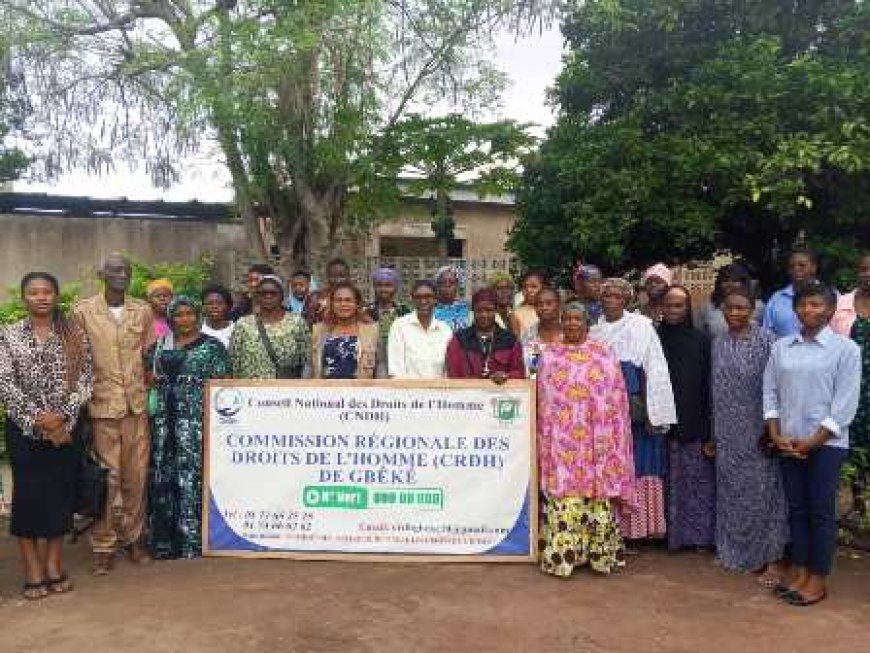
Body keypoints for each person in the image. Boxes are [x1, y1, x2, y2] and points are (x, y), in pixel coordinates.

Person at [763, 282, 861, 606]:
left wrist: (813, 442)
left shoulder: (846, 350)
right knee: (797, 510)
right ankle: (801, 570)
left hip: (826, 446)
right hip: (788, 442)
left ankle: (818, 579)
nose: (808, 310)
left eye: (816, 305)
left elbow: (844, 405)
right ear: (796, 309)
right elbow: (770, 393)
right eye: (803, 305)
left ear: (831, 310)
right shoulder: (782, 348)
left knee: (820, 511)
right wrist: (776, 434)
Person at [0, 272, 93, 600]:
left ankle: (54, 565)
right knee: (27, 498)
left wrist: (61, 417)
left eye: (47, 291)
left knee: (59, 497)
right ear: (24, 298)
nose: (41, 297)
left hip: (65, 431)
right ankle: (32, 569)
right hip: (24, 430)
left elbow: (85, 379)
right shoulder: (7, 335)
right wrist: (37, 418)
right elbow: (4, 382)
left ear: (56, 296)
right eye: (33, 292)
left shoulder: (74, 334)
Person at [536, 302, 634, 576]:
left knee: (597, 497)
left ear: (587, 323)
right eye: (566, 318)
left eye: (577, 319)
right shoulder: (550, 355)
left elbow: (615, 399)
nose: (571, 323)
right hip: (562, 444)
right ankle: (563, 558)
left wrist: (609, 438)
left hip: (596, 444)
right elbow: (544, 403)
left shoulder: (603, 354)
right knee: (564, 497)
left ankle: (600, 557)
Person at [73, 253, 154, 575]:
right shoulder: (82, 313)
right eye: (115, 270)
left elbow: (148, 355)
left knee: (137, 476)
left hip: (136, 408)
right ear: (101, 274)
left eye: (126, 271)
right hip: (102, 408)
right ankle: (104, 545)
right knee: (107, 480)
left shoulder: (143, 311)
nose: (122, 275)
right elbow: (77, 361)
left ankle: (134, 539)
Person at [591, 278, 677, 542]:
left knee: (638, 463)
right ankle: (611, 528)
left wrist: (656, 411)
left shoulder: (641, 327)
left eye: (618, 295)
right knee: (608, 466)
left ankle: (637, 530)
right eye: (607, 295)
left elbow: (656, 368)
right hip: (602, 410)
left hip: (634, 405)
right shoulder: (593, 332)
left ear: (627, 300)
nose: (611, 299)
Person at [711, 287, 788, 582]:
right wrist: (713, 432)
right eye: (729, 308)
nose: (734, 313)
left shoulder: (769, 342)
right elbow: (713, 387)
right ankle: (736, 551)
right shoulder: (718, 341)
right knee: (731, 493)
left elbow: (779, 388)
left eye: (741, 308)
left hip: (760, 430)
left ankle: (771, 559)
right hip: (727, 432)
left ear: (754, 309)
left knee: (765, 494)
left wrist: (773, 428)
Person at [145, 296, 230, 560]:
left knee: (192, 478)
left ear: (198, 316)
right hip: (163, 424)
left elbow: (223, 383)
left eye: (189, 314)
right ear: (171, 318)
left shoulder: (213, 347)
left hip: (195, 423)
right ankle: (163, 543)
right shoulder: (159, 346)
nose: (184, 319)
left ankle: (192, 543)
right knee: (163, 476)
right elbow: (147, 376)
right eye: (178, 314)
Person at [658, 286, 716, 551]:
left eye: (679, 305)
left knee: (696, 480)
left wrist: (708, 426)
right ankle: (670, 536)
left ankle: (698, 537)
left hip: (695, 416)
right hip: (662, 419)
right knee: (669, 479)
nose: (673, 310)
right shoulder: (654, 338)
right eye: (668, 305)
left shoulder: (702, 340)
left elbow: (709, 383)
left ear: (688, 308)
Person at [832, 252, 870, 517]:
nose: (867, 273)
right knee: (855, 449)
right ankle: (859, 505)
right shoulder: (841, 304)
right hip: (851, 390)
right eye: (863, 268)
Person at [229, 275, 310, 379]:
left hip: (285, 391)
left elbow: (306, 360)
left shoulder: (297, 322)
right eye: (263, 293)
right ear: (257, 296)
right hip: (250, 391)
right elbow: (233, 361)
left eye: (273, 293)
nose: (268, 296)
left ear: (282, 296)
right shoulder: (243, 324)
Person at [445, 288, 525, 381]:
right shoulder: (459, 339)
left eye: (489, 310)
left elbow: (519, 372)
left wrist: (506, 376)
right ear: (473, 311)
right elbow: (453, 374)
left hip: (501, 394)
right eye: (479, 310)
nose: (484, 315)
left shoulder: (510, 340)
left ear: (496, 310)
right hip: (467, 393)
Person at [310, 282, 382, 379]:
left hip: (361, 391)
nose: (343, 304)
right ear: (332, 304)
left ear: (357, 304)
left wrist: (381, 389)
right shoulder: (318, 330)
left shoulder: (372, 331)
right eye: (338, 300)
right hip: (325, 391)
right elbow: (309, 366)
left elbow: (380, 365)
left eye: (348, 300)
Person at [387, 280, 452, 379]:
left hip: (439, 392)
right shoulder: (400, 326)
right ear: (412, 300)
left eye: (428, 296)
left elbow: (447, 370)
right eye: (418, 297)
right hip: (407, 392)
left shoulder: (445, 330)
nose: (423, 301)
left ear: (435, 299)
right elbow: (396, 370)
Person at [696, 263, 765, 338]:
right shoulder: (709, 306)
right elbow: (700, 336)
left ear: (744, 283)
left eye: (735, 280)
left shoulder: (758, 306)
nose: (729, 284)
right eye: (725, 280)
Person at [762, 248, 819, 337]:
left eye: (802, 265)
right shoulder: (776, 299)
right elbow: (767, 333)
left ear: (813, 268)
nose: (796, 269)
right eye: (791, 266)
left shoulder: (831, 296)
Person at [364, 267, 411, 369]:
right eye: (379, 285)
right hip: (371, 361)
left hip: (401, 360)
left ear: (396, 287)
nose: (383, 289)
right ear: (374, 287)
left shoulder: (405, 311)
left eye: (388, 285)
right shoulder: (366, 312)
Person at [519, 286, 562, 376]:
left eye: (549, 303)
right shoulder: (528, 335)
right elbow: (532, 370)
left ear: (559, 305)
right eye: (539, 304)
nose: (544, 307)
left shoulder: (570, 333)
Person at [303, 257, 352, 326]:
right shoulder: (315, 297)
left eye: (342, 276)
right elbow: (306, 324)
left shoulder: (354, 298)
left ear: (348, 277)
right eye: (333, 276)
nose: (338, 280)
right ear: (327, 277)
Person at [433, 265, 470, 332]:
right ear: (437, 286)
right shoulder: (430, 310)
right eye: (443, 282)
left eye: (452, 282)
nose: (447, 286)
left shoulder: (464, 307)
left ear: (457, 286)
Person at [510, 270, 545, 337]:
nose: (529, 290)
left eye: (534, 286)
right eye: (525, 287)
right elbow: (517, 343)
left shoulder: (552, 310)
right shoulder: (516, 314)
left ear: (543, 288)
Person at [200, 283, 235, 347]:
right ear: (203, 306)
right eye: (210, 303)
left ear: (228, 306)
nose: (214, 307)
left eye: (219, 303)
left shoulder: (236, 330)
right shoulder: (197, 331)